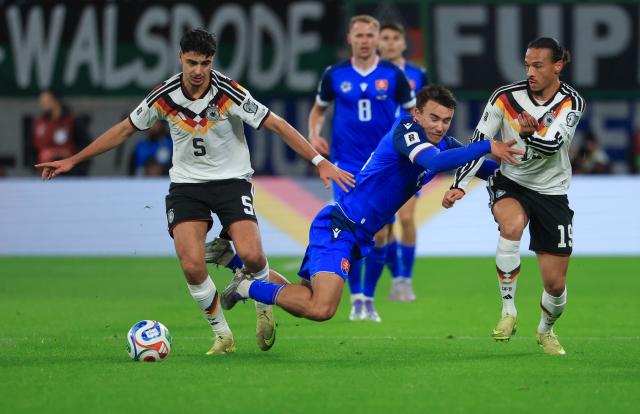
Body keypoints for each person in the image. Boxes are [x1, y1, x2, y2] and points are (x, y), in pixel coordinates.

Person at [36, 28, 354, 355]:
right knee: (191, 264)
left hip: (232, 182)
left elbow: (277, 124)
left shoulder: (229, 92)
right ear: (180, 59)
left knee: (254, 255)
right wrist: (74, 159)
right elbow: (123, 131)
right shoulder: (164, 96)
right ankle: (223, 334)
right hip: (188, 186)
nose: (199, 70)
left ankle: (263, 308)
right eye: (192, 63)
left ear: (212, 61)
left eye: (205, 62)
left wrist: (319, 161)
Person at [216, 85, 522, 325]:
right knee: (321, 308)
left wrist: (523, 172)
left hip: (356, 236)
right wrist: (486, 145)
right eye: (434, 117)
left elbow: (485, 169)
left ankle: (236, 266)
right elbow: (436, 161)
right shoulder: (406, 131)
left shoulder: (445, 145)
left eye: (446, 120)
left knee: (306, 300)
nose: (441, 126)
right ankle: (246, 288)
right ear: (417, 113)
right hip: (340, 226)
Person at [442, 37, 585, 356]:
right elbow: (479, 141)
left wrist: (527, 134)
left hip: (552, 190)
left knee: (556, 285)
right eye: (527, 65)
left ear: (557, 66)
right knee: (512, 225)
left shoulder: (571, 102)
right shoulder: (504, 98)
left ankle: (546, 331)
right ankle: (508, 311)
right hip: (511, 181)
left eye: (538, 65)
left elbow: (552, 147)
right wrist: (460, 184)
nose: (530, 72)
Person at [308, 15, 415, 322]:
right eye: (360, 35)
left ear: (377, 39)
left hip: (384, 167)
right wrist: (314, 134)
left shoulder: (393, 75)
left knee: (381, 234)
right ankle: (357, 300)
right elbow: (318, 110)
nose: (365, 40)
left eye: (370, 35)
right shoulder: (335, 74)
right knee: (351, 233)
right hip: (347, 166)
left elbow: (412, 116)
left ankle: (369, 297)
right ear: (350, 39)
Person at [378, 22, 430, 302]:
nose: (389, 43)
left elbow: (431, 111)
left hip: (410, 154)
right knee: (382, 226)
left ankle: (405, 281)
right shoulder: (372, 75)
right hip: (381, 155)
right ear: (378, 43)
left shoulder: (418, 75)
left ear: (403, 44)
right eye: (384, 38)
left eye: (395, 38)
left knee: (407, 217)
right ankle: (397, 277)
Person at [31, 90, 91, 175]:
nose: (43, 105)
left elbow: (85, 146)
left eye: (46, 102)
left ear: (56, 101)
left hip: (71, 173)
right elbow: (32, 150)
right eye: (41, 102)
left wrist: (69, 157)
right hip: (46, 174)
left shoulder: (72, 121)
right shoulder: (38, 124)